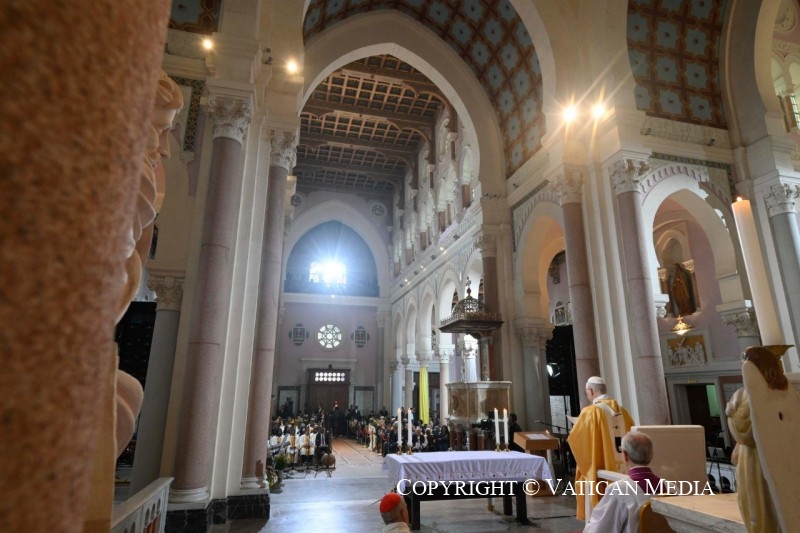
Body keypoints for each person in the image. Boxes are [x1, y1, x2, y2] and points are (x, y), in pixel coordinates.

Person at [726, 345, 792, 533]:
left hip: (754, 460)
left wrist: (731, 411)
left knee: (759, 505)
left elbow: (742, 432)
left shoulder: (744, 396)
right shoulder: (788, 390)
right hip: (785, 456)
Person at [567, 376, 635, 520]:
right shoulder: (624, 412)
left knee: (602, 513)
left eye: (587, 393)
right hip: (625, 471)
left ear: (591, 391)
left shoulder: (591, 412)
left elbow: (576, 439)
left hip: (601, 470)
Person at [583, 432, 662, 533]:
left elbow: (599, 529)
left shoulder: (618, 490)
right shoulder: (672, 487)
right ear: (652, 455)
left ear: (625, 455)